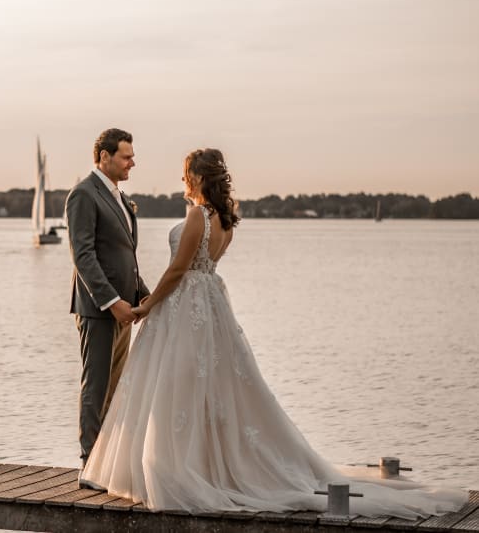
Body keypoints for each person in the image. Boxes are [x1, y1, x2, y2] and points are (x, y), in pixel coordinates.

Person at [80, 148, 467, 518]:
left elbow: (180, 269)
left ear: (197, 176)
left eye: (186, 172)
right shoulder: (226, 219)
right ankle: (207, 462)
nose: (182, 178)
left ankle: (183, 467)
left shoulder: (199, 214)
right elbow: (204, 264)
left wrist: (148, 305)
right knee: (210, 388)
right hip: (211, 303)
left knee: (178, 388)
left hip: (186, 305)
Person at [65, 128, 150, 485]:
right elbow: (83, 256)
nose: (133, 162)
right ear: (103, 156)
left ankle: (108, 462)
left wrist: (143, 295)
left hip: (124, 310)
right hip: (99, 309)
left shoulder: (120, 197)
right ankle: (89, 465)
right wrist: (112, 302)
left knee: (116, 389)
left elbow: (125, 258)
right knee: (96, 386)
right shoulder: (84, 194)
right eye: (126, 156)